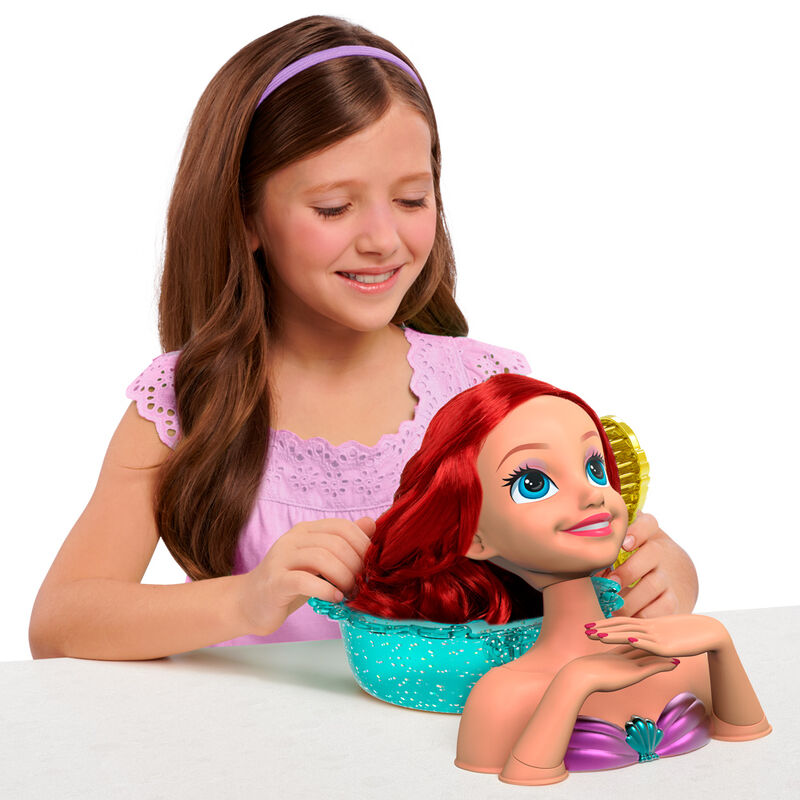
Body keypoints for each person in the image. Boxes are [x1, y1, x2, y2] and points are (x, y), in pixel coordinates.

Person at [29, 15, 696, 662]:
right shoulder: (186, 401)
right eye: (334, 207)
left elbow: (585, 564)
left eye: (411, 200)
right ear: (246, 216)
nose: (382, 239)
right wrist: (246, 600)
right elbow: (60, 623)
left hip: (447, 737)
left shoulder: (487, 393)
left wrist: (663, 577)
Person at [349, 374, 770, 785]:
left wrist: (719, 639)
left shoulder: (683, 656)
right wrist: (574, 683)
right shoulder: (504, 694)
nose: (593, 494)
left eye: (594, 468)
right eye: (534, 484)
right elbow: (516, 783)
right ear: (474, 537)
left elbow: (749, 747)